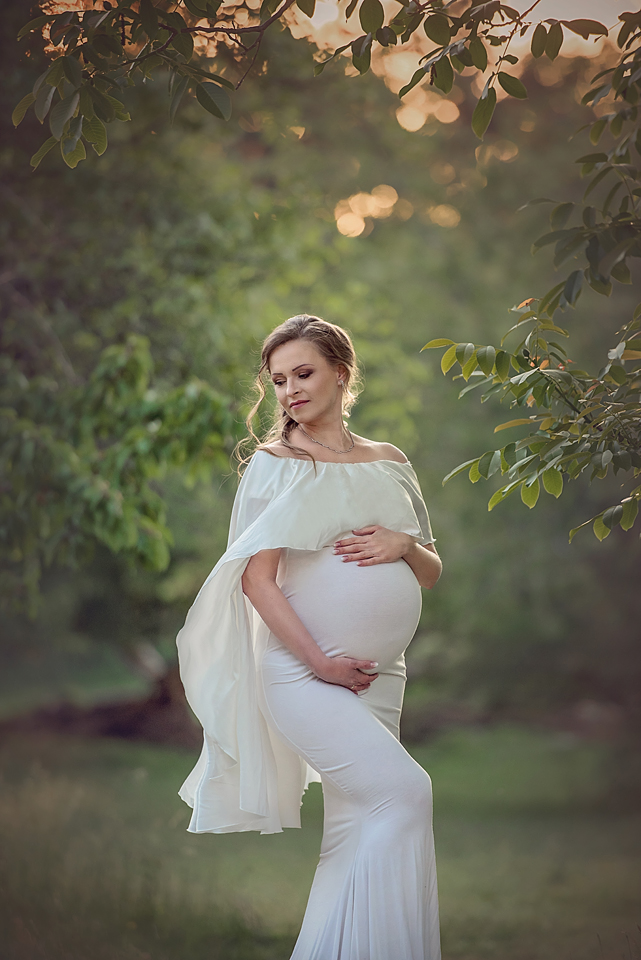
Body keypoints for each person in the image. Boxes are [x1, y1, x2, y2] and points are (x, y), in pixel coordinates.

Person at [176, 314, 442, 960]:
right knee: (406, 794)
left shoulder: (390, 461)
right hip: (304, 674)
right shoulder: (274, 465)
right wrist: (319, 662)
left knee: (354, 829)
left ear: (340, 374)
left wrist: (403, 543)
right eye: (277, 381)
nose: (289, 390)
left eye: (303, 373)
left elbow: (431, 572)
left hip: (379, 674)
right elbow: (257, 583)